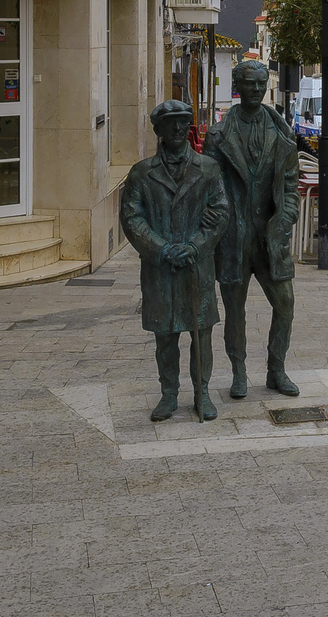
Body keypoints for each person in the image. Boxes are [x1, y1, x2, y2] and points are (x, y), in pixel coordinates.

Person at [120, 100, 229, 422]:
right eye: (172, 124)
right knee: (165, 335)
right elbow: (131, 218)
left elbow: (220, 212)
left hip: (198, 265)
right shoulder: (141, 173)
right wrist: (161, 249)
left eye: (184, 123)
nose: (179, 129)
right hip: (160, 268)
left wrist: (196, 246)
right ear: (159, 130)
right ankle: (168, 394)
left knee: (201, 333)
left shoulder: (208, 168)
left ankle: (202, 393)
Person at [204, 61, 302, 399]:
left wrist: (286, 217)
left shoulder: (281, 134)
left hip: (269, 237)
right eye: (250, 84)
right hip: (233, 238)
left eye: (261, 84)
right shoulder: (217, 137)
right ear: (237, 86)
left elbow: (290, 185)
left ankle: (277, 370)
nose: (257, 90)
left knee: (285, 303)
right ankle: (239, 372)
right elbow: (209, 190)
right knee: (235, 310)